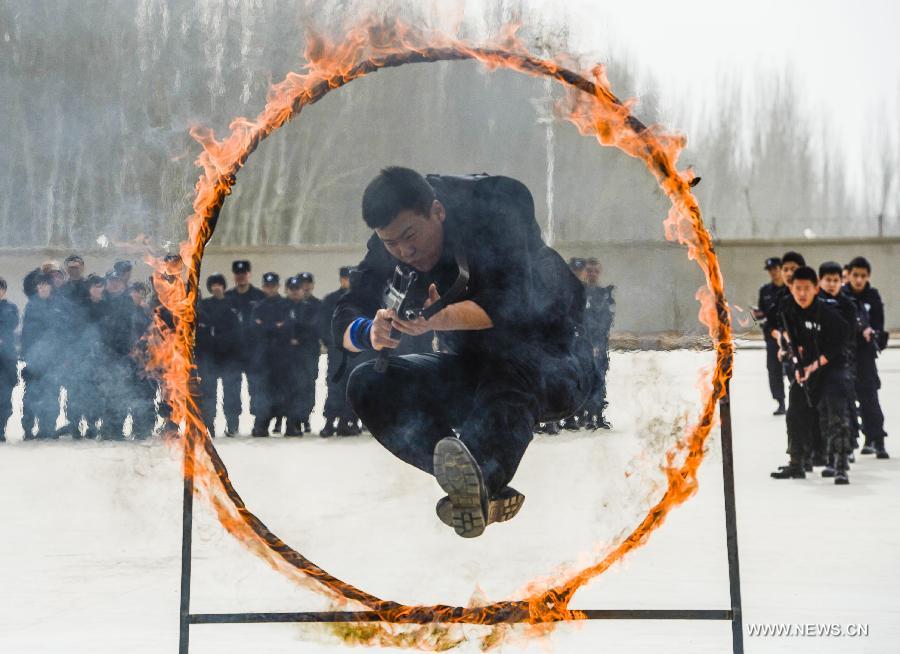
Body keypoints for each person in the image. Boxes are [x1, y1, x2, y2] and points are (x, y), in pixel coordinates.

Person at [336, 167, 594, 538]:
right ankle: (470, 482)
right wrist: (368, 330)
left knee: (509, 364)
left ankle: (482, 473)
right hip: (473, 370)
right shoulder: (390, 243)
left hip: (553, 364)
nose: (404, 251)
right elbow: (347, 310)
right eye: (391, 243)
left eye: (411, 236)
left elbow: (513, 306)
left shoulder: (493, 211)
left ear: (438, 211)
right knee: (367, 383)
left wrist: (440, 317)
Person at [770, 267, 851, 483]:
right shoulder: (788, 307)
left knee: (835, 414)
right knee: (794, 411)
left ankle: (839, 465)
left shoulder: (829, 314)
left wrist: (813, 366)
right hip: (805, 365)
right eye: (798, 289)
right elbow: (788, 333)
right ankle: (796, 463)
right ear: (791, 288)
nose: (802, 294)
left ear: (816, 288)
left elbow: (838, 345)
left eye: (807, 288)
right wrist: (792, 356)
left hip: (831, 365)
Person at [843, 256, 889, 459]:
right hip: (845, 354)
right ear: (849, 275)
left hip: (865, 355)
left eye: (863, 276)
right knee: (846, 400)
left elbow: (879, 323)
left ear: (868, 276)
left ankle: (875, 438)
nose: (859, 280)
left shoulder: (873, 296)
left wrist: (873, 333)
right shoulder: (843, 296)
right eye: (855, 275)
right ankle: (848, 442)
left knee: (869, 397)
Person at [817, 261, 859, 474]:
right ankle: (829, 456)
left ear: (841, 281)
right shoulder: (814, 304)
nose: (832, 284)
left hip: (840, 365)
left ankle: (841, 460)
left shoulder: (847, 306)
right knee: (824, 415)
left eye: (836, 280)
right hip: (818, 367)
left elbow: (849, 337)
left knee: (841, 414)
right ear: (820, 281)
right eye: (828, 280)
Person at [318, 266, 363, 437]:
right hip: (337, 351)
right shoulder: (331, 300)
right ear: (341, 279)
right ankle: (329, 421)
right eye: (346, 278)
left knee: (351, 386)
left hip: (356, 351)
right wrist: (330, 342)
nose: (349, 282)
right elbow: (322, 323)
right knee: (334, 385)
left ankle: (347, 421)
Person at [196, 274, 241, 437]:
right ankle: (209, 424)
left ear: (223, 286)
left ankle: (232, 424)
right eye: (213, 285)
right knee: (209, 393)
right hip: (211, 357)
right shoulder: (205, 305)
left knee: (231, 393)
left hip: (230, 357)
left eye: (219, 284)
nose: (216, 287)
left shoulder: (233, 304)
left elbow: (238, 329)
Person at [225, 260, 266, 434]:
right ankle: (232, 424)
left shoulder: (259, 296)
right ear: (234, 276)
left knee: (256, 389)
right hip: (233, 352)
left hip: (254, 351)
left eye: (244, 274)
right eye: (238, 274)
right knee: (231, 389)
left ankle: (258, 423)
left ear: (249, 274)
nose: (241, 277)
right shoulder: (227, 297)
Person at [21, 273, 62, 439]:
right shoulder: (31, 305)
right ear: (37, 287)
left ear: (51, 287)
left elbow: (61, 332)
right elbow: (26, 333)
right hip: (34, 359)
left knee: (51, 395)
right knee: (31, 395)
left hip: (52, 359)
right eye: (40, 284)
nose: (43, 287)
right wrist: (26, 357)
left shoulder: (58, 305)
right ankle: (28, 429)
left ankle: (48, 428)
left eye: (46, 284)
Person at [250, 272, 289, 437]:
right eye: (267, 285)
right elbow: (254, 330)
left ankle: (280, 421)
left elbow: (287, 329)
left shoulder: (286, 305)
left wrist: (267, 327)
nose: (270, 288)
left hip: (281, 357)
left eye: (273, 285)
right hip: (263, 357)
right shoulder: (258, 307)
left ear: (278, 286)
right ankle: (262, 423)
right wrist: (275, 327)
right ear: (263, 287)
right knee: (262, 391)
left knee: (280, 390)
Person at [283, 273, 322, 436]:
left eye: (297, 288)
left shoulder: (312, 308)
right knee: (290, 389)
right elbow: (277, 328)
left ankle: (303, 417)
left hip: (307, 355)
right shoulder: (282, 307)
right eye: (291, 289)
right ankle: (292, 422)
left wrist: (298, 337)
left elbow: (314, 329)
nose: (295, 292)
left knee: (306, 387)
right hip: (288, 357)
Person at [581, 257, 615, 430]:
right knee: (584, 380)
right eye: (589, 271)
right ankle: (585, 416)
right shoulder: (579, 293)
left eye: (595, 271)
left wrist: (597, 344)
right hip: (582, 345)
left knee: (599, 379)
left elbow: (606, 321)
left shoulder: (604, 294)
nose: (592, 274)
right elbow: (579, 320)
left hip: (599, 345)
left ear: (599, 271)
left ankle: (598, 415)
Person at [753, 257, 787, 415]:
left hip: (790, 335)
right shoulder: (765, 291)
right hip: (772, 335)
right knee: (774, 369)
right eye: (770, 270)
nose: (773, 273)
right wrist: (757, 314)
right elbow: (763, 313)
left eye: (775, 269)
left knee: (793, 368)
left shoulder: (790, 288)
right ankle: (780, 401)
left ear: (781, 269)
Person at [0, 278, 19, 442]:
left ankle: (0, 429)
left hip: (6, 360)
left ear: (4, 290)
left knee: (4, 399)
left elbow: (10, 325)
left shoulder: (10, 308)